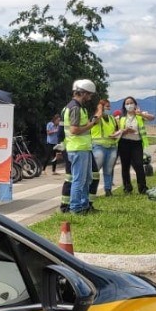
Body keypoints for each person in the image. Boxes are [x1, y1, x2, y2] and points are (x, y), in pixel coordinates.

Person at [62, 80, 100, 215]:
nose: (90, 98)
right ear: (82, 93)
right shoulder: (75, 108)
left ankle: (83, 206)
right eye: (89, 95)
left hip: (82, 148)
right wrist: (92, 124)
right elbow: (74, 130)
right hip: (78, 148)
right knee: (79, 180)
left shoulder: (75, 107)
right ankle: (76, 208)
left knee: (86, 179)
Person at [115, 97, 154, 194]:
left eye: (131, 103)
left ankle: (143, 188)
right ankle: (127, 188)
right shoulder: (121, 117)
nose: (129, 105)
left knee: (139, 165)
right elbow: (118, 131)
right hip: (124, 142)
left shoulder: (140, 115)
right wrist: (124, 131)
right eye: (127, 103)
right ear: (124, 106)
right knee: (125, 166)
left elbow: (152, 118)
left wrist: (140, 114)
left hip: (136, 143)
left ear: (135, 104)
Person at [89, 98, 120, 196]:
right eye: (106, 106)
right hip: (99, 147)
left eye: (109, 106)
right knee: (95, 170)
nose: (109, 108)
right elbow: (94, 121)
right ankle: (90, 191)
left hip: (111, 147)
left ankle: (108, 190)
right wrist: (99, 111)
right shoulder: (96, 117)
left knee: (109, 170)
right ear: (101, 107)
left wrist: (116, 134)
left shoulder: (112, 118)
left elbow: (117, 130)